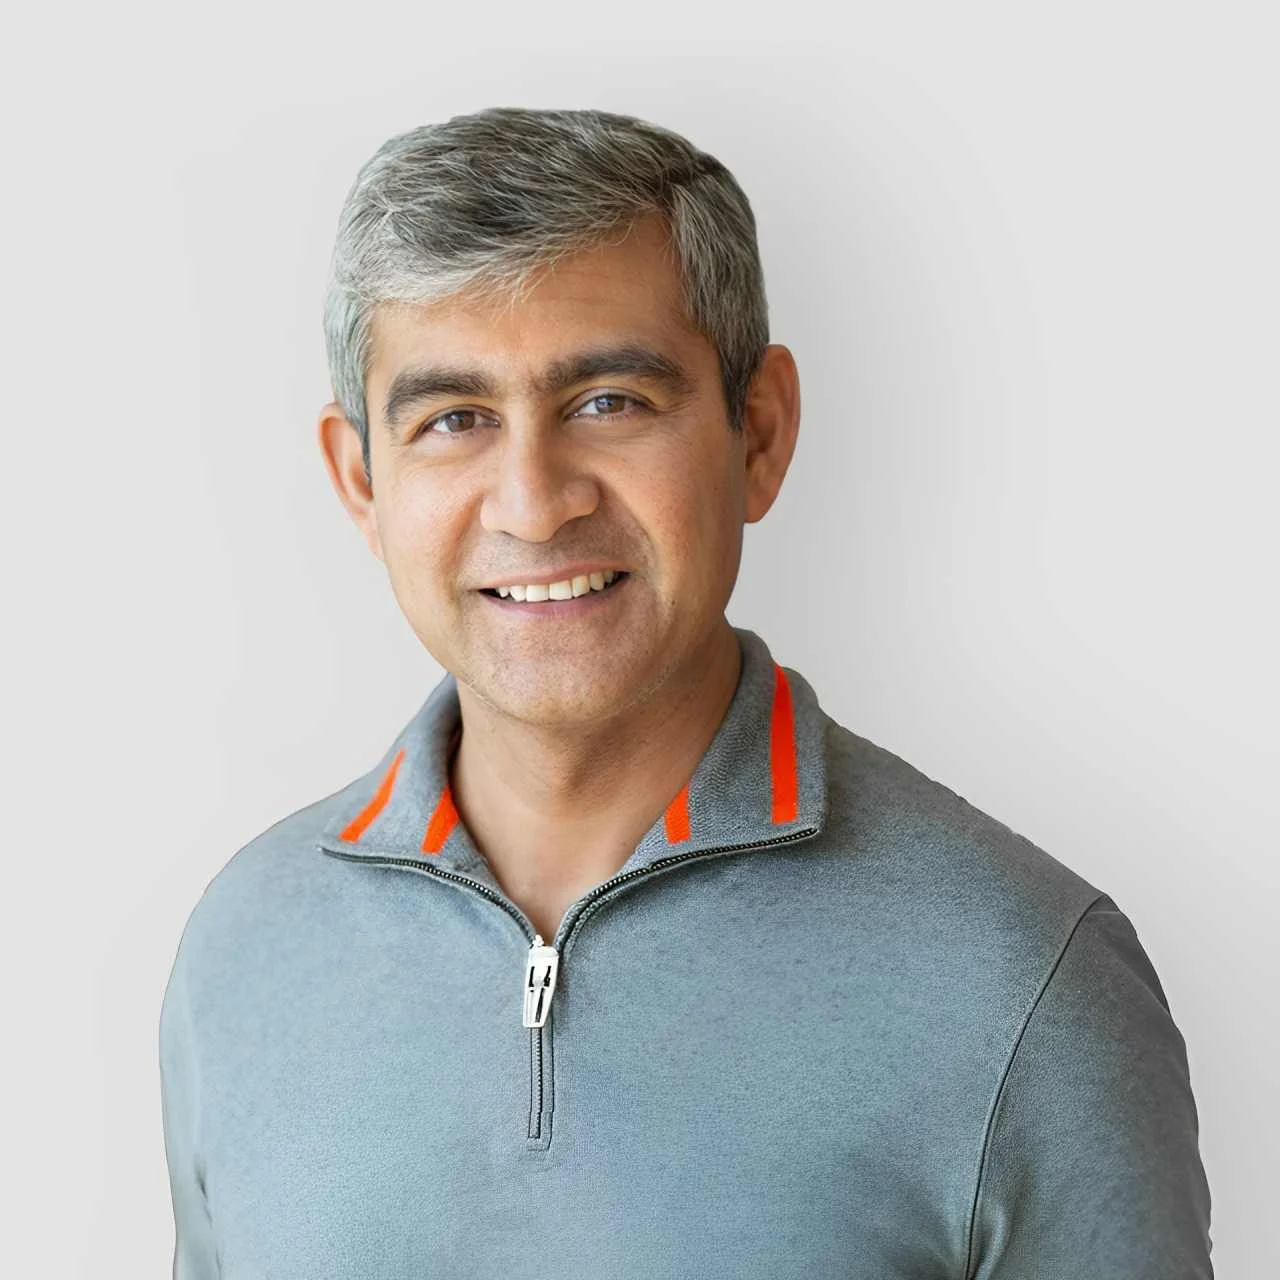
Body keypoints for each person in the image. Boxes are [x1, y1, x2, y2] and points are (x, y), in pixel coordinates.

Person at [158, 106, 1213, 1278]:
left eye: (608, 400)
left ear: (756, 433)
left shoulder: (1025, 978)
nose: (532, 502)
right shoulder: (244, 949)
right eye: (453, 419)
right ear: (361, 479)